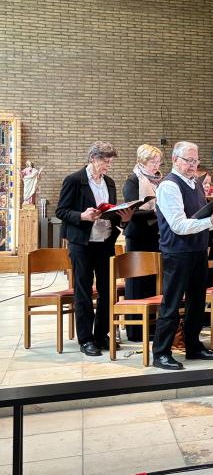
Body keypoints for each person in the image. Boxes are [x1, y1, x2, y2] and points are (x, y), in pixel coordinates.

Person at [151, 142, 213, 370]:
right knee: (172, 303)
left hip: (198, 250)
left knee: (196, 303)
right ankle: (161, 353)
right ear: (174, 159)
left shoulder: (195, 183)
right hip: (177, 252)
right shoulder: (169, 185)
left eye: (196, 161)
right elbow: (178, 225)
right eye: (188, 160)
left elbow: (199, 220)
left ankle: (193, 346)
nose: (193, 165)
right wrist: (210, 222)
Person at [56, 142, 133, 356]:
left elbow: (111, 212)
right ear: (92, 158)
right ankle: (86, 339)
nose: (108, 165)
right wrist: (82, 215)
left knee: (107, 290)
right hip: (81, 243)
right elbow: (61, 211)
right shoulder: (74, 180)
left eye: (110, 162)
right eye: (105, 161)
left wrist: (124, 219)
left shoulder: (109, 182)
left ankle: (101, 335)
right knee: (84, 290)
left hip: (105, 241)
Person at [121, 144, 163, 342]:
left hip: (155, 235)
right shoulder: (133, 180)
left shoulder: (160, 180)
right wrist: (155, 212)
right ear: (142, 161)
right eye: (152, 161)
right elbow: (131, 211)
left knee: (152, 282)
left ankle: (152, 326)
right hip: (138, 235)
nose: (156, 165)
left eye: (158, 161)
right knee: (138, 281)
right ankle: (135, 330)